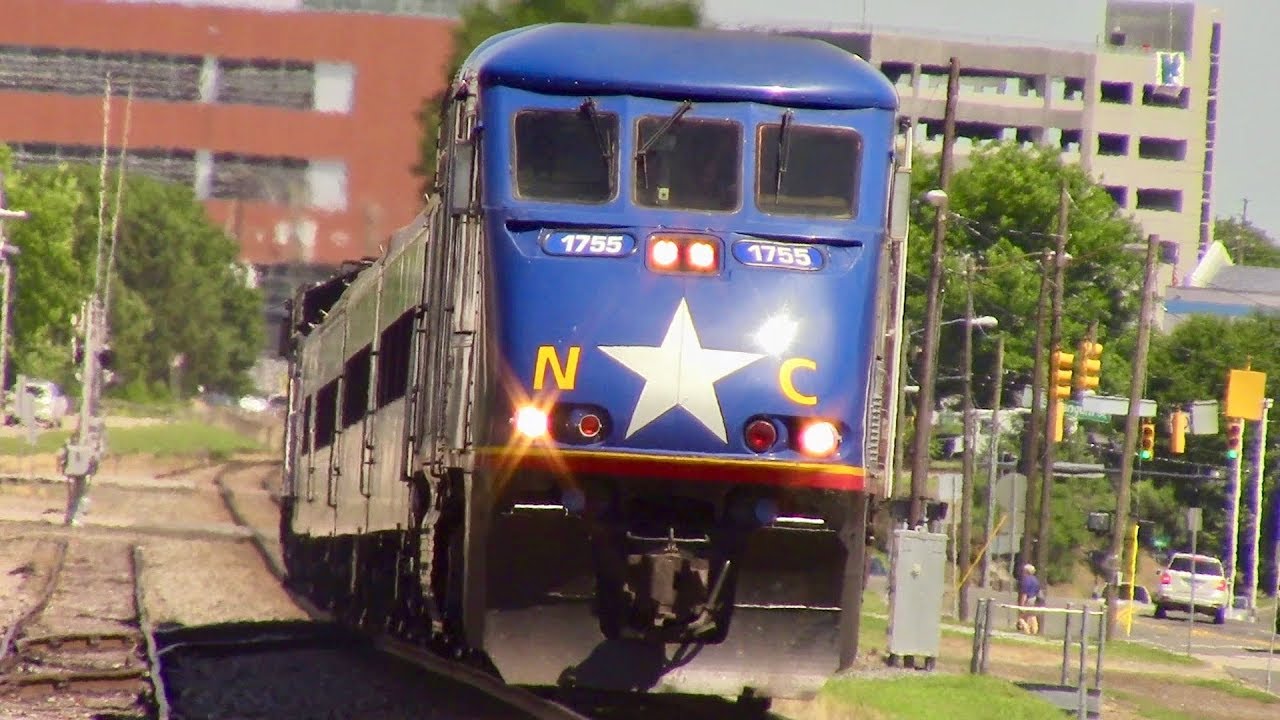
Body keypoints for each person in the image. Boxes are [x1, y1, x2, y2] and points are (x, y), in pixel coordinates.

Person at [1017, 563, 1041, 635]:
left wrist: (1021, 604)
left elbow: (1024, 593)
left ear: (1026, 571)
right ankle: (1034, 630)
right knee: (1031, 615)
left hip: (1028, 599)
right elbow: (1037, 591)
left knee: (1021, 616)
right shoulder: (1036, 580)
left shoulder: (1026, 580)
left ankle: (1026, 630)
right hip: (1034, 599)